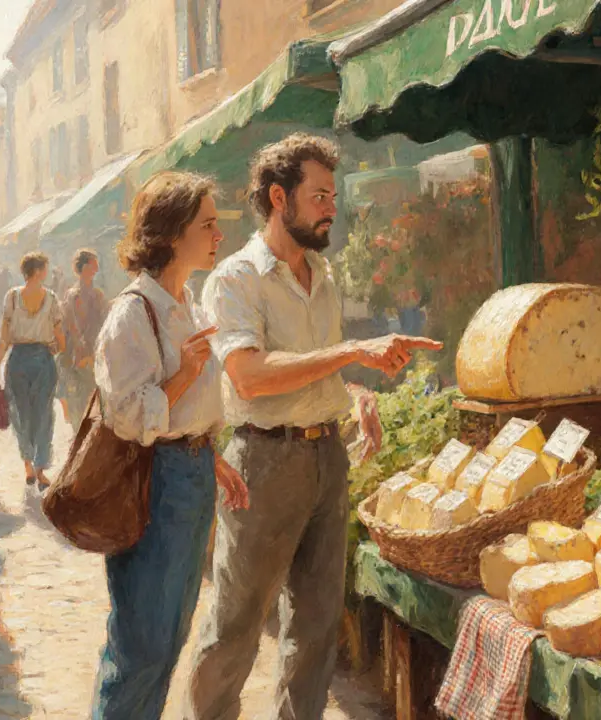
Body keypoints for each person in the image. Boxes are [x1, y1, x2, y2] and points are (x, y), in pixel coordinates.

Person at [186, 134, 441, 720]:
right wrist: (352, 351)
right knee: (235, 626)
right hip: (263, 464)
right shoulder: (234, 278)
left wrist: (354, 395)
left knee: (317, 626)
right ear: (279, 198)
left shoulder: (321, 273)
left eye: (333, 196)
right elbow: (249, 376)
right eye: (319, 196)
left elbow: (310, 368)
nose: (331, 209)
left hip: (327, 457)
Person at [89, 171, 249, 720]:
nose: (219, 235)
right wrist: (183, 374)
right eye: (208, 225)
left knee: (170, 638)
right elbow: (127, 416)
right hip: (151, 482)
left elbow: (186, 415)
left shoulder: (188, 305)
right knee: (140, 645)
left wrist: (212, 459)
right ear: (173, 233)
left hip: (191, 477)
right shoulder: (133, 313)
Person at [0, 252, 64, 488]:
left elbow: (4, 339)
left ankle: (29, 466)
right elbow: (61, 340)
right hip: (43, 361)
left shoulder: (12, 297)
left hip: (18, 360)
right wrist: (54, 349)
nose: (47, 272)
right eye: (45, 268)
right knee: (43, 414)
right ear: (38, 271)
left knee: (21, 414)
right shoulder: (51, 298)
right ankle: (40, 469)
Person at [59, 249, 109, 426]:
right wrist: (80, 349)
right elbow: (70, 326)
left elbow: (105, 325)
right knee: (80, 401)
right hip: (78, 356)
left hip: (94, 354)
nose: (97, 268)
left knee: (93, 402)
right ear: (85, 267)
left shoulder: (98, 295)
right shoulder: (73, 295)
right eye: (94, 264)